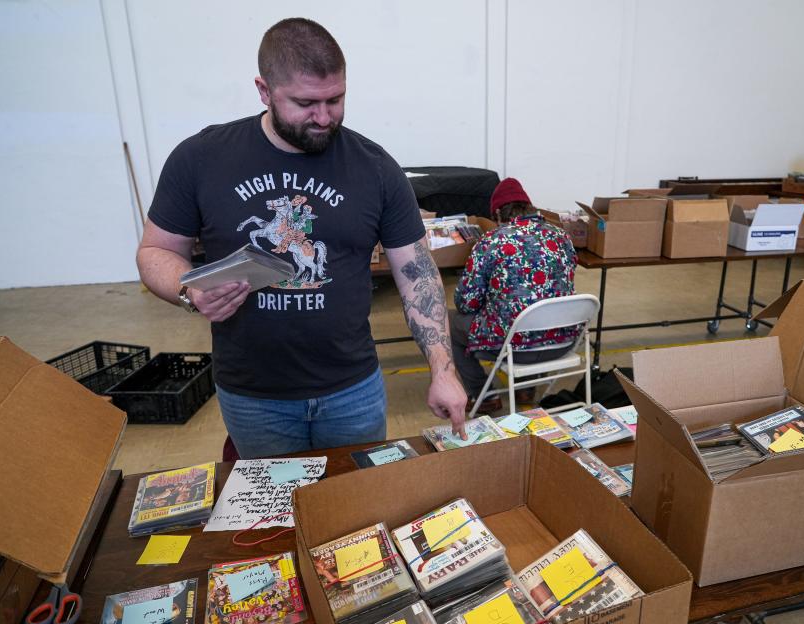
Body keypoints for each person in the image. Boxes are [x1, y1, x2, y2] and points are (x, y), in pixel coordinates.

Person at [136, 18, 467, 457]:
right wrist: (188, 291)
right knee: (276, 516)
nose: (325, 116)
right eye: (306, 102)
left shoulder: (375, 167)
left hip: (353, 390)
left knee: (355, 506)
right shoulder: (201, 158)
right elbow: (155, 251)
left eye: (336, 99)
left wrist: (443, 370)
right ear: (263, 90)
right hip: (253, 396)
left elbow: (416, 274)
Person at [451, 178, 579, 412]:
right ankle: (525, 388)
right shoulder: (562, 237)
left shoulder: (491, 241)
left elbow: (467, 303)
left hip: (513, 348)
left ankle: (485, 395)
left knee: (449, 322)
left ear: (498, 212)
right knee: (539, 310)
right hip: (562, 342)